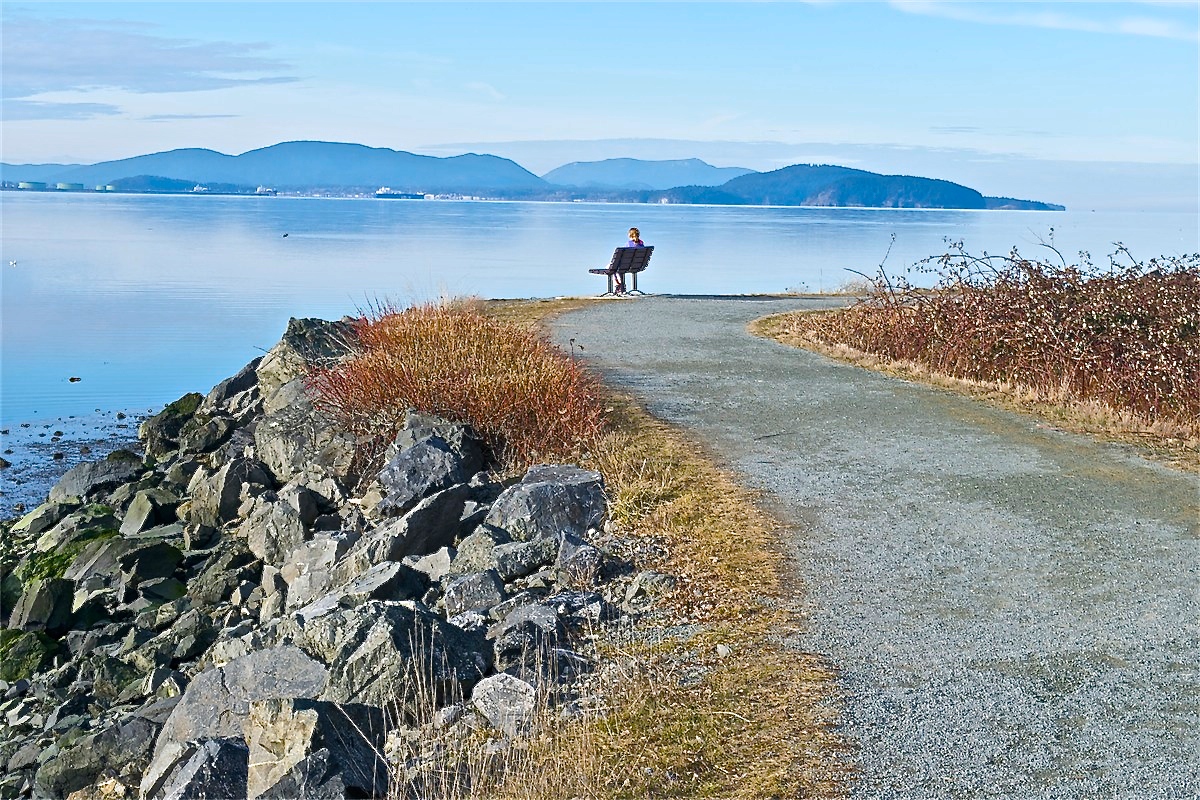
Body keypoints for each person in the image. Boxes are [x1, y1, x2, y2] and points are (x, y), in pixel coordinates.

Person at [614, 227, 646, 293]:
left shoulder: (629, 244)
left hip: (627, 266)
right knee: (617, 267)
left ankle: (619, 284)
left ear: (630, 235)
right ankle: (620, 285)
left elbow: (623, 255)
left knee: (611, 267)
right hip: (638, 266)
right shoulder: (641, 244)